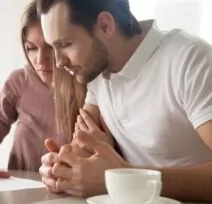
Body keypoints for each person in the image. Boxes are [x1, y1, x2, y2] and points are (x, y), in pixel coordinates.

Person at [37, 0, 212, 202]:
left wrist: (124, 177)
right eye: (53, 47)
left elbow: (111, 172)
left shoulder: (191, 61)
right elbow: (83, 148)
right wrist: (63, 169)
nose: (58, 62)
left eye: (65, 44)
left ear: (105, 25)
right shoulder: (97, 72)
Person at [0, 0, 69, 180]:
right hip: (20, 191)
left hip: (66, 192)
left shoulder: (89, 87)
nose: (40, 60)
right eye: (31, 48)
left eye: (49, 47)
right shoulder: (19, 81)